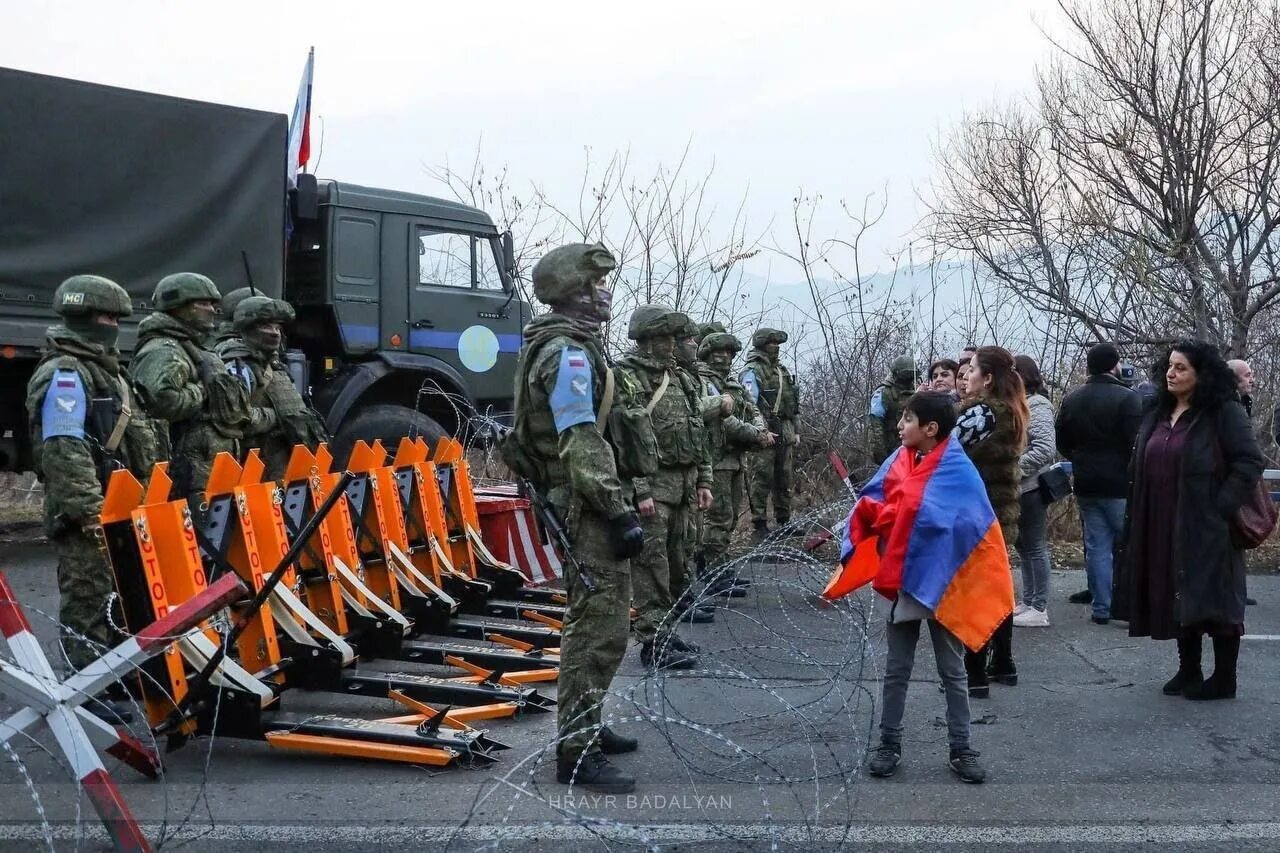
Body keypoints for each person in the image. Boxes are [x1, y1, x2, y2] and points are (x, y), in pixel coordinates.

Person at [504, 242, 644, 792]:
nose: (605, 293)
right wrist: (616, 510)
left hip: (580, 499)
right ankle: (577, 749)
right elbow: (581, 440)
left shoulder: (571, 347)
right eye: (595, 285)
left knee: (597, 622)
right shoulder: (570, 355)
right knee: (598, 629)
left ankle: (586, 724)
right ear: (577, 294)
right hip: (586, 504)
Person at [25, 275, 161, 720]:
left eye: (116, 318)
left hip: (118, 506)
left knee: (116, 597)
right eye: (105, 317)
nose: (112, 325)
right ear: (82, 318)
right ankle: (85, 694)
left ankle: (113, 679)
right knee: (88, 598)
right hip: (91, 511)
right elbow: (64, 449)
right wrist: (89, 512)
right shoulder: (67, 372)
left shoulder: (106, 370)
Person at [857, 392, 987, 784]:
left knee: (953, 671)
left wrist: (910, 518)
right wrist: (878, 516)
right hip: (902, 580)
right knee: (897, 668)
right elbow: (875, 501)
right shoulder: (896, 462)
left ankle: (961, 747)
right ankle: (889, 742)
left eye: (908, 419)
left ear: (930, 429)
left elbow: (973, 524)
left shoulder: (957, 469)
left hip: (944, 582)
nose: (900, 426)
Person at [1123, 340, 1263, 701]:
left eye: (1181, 367)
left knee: (1216, 594)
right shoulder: (1158, 411)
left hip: (1207, 523)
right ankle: (1189, 669)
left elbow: (1249, 461)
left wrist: (1221, 505)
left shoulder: (1223, 412)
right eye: (1169, 366)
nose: (1171, 373)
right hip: (1162, 519)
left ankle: (1224, 678)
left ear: (1202, 374)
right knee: (1177, 590)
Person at [614, 306, 714, 669]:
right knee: (651, 567)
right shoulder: (628, 378)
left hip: (684, 487)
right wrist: (640, 490)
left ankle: (667, 631)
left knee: (677, 565)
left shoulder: (680, 378)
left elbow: (697, 432)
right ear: (648, 340)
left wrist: (703, 480)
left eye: (674, 338)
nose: (672, 345)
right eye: (665, 338)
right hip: (655, 488)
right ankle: (652, 642)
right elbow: (626, 440)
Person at [130, 272, 252, 515]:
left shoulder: (193, 347)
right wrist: (201, 391)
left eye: (213, 304)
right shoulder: (165, 349)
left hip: (207, 468)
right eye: (203, 303)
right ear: (179, 307)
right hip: (188, 471)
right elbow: (161, 400)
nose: (211, 310)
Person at [955, 346, 1027, 697]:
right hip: (999, 512)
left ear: (988, 378)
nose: (965, 376)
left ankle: (975, 673)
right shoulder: (1009, 410)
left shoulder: (980, 414)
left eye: (971, 370)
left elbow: (941, 448)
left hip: (976, 514)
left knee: (975, 593)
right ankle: (1003, 663)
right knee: (997, 588)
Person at [1055, 343, 1142, 622]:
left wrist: (1081, 458)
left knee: (1097, 546)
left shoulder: (1072, 399)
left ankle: (1101, 607)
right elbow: (1136, 443)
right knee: (1127, 543)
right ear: (1114, 365)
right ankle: (1129, 605)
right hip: (1119, 482)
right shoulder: (1128, 398)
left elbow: (1062, 442)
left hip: (1086, 481)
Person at [217, 296, 329, 481]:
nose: (275, 333)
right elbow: (235, 417)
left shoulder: (273, 363)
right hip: (256, 464)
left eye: (277, 327)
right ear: (248, 328)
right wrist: (277, 418)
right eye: (266, 326)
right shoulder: (239, 364)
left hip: (282, 461)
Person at [696, 332, 772, 594]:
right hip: (715, 460)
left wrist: (759, 430)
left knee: (728, 519)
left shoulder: (732, 383)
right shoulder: (703, 382)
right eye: (720, 352)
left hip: (734, 459)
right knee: (717, 519)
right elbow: (723, 421)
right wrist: (756, 435)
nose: (725, 357)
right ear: (707, 353)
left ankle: (720, 567)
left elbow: (753, 410)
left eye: (729, 353)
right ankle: (714, 574)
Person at [1011, 355, 1057, 627]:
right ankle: (1028, 601)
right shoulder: (1018, 404)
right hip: (1018, 489)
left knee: (1035, 546)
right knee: (1024, 546)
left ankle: (1039, 607)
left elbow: (1044, 449)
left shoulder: (1037, 405)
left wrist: (1013, 469)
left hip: (1031, 487)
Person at [742, 328, 800, 538]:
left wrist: (795, 429)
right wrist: (760, 430)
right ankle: (759, 524)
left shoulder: (781, 371)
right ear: (761, 345)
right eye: (771, 343)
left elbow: (793, 404)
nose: (775, 347)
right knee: (762, 476)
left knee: (784, 477)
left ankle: (784, 521)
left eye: (777, 344)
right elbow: (748, 403)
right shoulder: (752, 371)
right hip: (763, 427)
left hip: (784, 429)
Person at [1227, 358, 1259, 607]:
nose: (1252, 380)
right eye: (1247, 375)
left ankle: (1236, 590)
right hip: (1229, 487)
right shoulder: (1228, 408)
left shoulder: (1242, 404)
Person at [868, 356, 920, 464]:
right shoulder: (883, 393)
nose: (909, 378)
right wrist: (881, 457)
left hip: (915, 450)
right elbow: (876, 426)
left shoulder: (917, 390)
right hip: (891, 452)